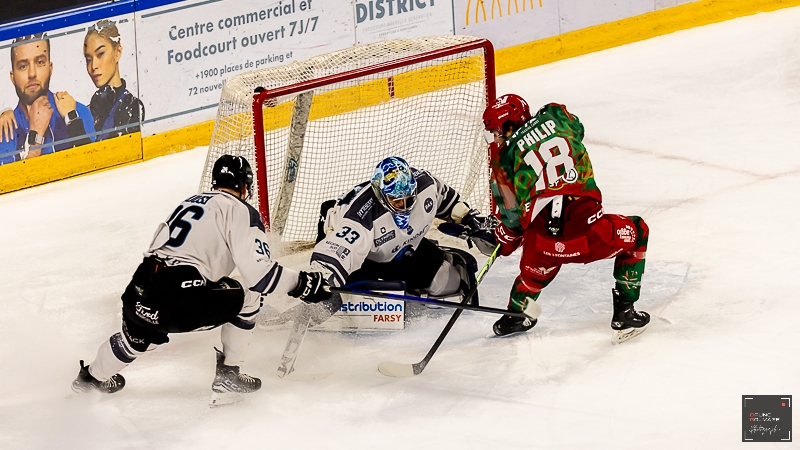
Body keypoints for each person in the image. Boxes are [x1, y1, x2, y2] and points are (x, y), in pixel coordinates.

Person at [72, 155, 332, 405]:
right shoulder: (241, 210)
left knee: (134, 341)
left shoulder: (190, 202)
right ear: (244, 186)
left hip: (139, 290)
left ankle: (89, 379)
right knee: (250, 293)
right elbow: (261, 276)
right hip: (178, 299)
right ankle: (229, 374)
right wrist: (304, 284)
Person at [482, 95, 650, 343]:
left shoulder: (502, 160)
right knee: (637, 231)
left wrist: (503, 243)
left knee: (532, 275)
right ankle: (625, 313)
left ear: (509, 125)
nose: (496, 138)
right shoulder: (555, 115)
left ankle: (516, 316)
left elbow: (512, 222)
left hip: (544, 247)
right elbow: (578, 130)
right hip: (590, 233)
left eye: (496, 131)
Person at [310, 156, 487, 307]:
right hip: (363, 256)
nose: (404, 206)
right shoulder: (361, 217)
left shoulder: (426, 184)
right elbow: (336, 250)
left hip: (401, 248)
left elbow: (448, 201)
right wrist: (320, 278)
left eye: (409, 199)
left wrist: (469, 219)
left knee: (448, 283)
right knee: (332, 297)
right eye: (397, 201)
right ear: (381, 194)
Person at [0, 33, 94, 165]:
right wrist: (36, 133)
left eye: (40, 62)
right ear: (12, 77)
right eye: (23, 66)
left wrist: (71, 118)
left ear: (50, 69)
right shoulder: (4, 131)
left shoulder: (79, 113)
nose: (32, 73)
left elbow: (94, 173)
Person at [84, 20, 143, 140]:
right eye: (88, 59)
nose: (93, 66)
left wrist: (73, 120)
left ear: (118, 52)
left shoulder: (132, 105)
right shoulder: (91, 108)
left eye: (100, 54)